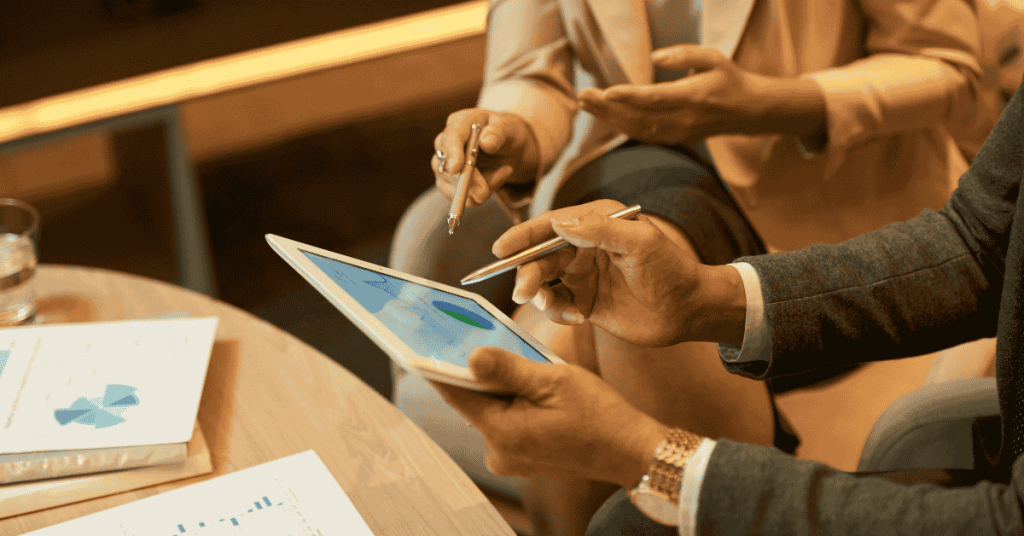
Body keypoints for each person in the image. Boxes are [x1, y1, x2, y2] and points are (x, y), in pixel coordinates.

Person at [403, 0, 1000, 533]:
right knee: (607, 268)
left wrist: (769, 104)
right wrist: (513, 130)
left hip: (830, 208)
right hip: (631, 176)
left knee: (568, 330)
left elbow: (947, 66)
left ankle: (707, 492)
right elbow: (530, 73)